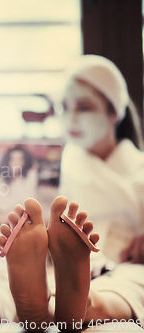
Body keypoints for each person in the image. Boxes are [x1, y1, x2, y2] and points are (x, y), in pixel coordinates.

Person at [58, 55, 144, 322]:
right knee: (12, 274)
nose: (71, 118)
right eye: (64, 106)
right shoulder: (60, 167)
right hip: (70, 262)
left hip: (127, 265)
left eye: (84, 107)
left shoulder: (139, 166)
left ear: (114, 112)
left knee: (131, 284)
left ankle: (84, 303)